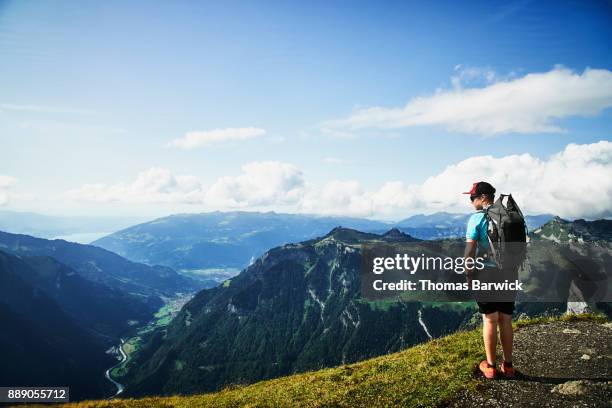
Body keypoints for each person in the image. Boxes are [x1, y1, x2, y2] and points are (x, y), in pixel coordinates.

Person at [463, 181, 516, 380]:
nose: (470, 202)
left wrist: (469, 274)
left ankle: (491, 367)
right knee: (506, 319)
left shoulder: (476, 219)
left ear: (483, 197)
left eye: (472, 197)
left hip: (486, 275)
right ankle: (508, 366)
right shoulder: (508, 216)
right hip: (509, 273)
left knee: (490, 319)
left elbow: (470, 252)